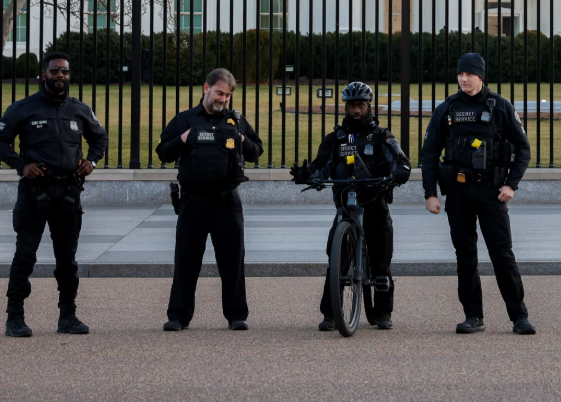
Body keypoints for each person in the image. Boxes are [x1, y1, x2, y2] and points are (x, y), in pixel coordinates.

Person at [0, 51, 107, 338]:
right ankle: (14, 317)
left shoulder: (79, 109)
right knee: (25, 256)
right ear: (44, 74)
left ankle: (68, 316)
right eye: (55, 71)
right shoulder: (23, 108)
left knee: (67, 259)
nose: (60, 76)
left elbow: (99, 137)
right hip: (35, 194)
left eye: (64, 71)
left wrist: (91, 160)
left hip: (68, 193)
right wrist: (22, 164)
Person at [420, 52, 535, 335]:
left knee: (502, 254)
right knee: (465, 255)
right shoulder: (446, 108)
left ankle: (519, 317)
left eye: (469, 74)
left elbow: (523, 149)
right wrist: (430, 193)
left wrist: (511, 184)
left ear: (480, 76)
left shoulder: (500, 106)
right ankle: (473, 316)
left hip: (490, 192)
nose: (464, 78)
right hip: (458, 191)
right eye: (460, 74)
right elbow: (430, 153)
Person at [290, 81, 411, 331]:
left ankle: (384, 311)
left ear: (369, 106)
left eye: (361, 105)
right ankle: (331, 314)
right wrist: (306, 173)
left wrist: (400, 170)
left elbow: (399, 160)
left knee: (381, 258)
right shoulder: (336, 138)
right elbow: (321, 164)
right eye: (352, 105)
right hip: (345, 201)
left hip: (374, 199)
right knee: (337, 258)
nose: (356, 110)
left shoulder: (382, 135)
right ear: (346, 107)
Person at [156, 68, 263, 331]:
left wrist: (240, 138)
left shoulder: (235, 121)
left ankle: (237, 315)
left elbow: (256, 152)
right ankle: (178, 316)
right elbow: (163, 153)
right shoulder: (185, 120)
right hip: (193, 201)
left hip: (227, 201)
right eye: (219, 93)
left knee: (232, 261)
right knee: (186, 261)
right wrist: (183, 139)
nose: (223, 99)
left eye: (227, 95)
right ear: (206, 88)